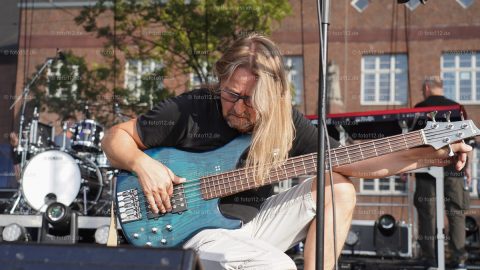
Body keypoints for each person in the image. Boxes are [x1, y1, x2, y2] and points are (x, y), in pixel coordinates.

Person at [102, 35, 472, 270]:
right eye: (231, 94)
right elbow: (114, 138)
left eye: (251, 100)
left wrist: (426, 153)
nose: (237, 107)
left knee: (338, 186)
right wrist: (141, 163)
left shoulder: (286, 121)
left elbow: (354, 163)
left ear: (275, 96)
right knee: (277, 267)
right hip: (193, 231)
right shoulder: (192, 106)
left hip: (254, 227)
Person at [413, 76, 473, 270]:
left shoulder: (419, 108)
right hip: (453, 165)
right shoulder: (456, 107)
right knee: (456, 211)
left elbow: (411, 140)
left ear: (427, 88)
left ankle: (429, 258)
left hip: (425, 166)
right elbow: (466, 140)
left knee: (426, 211)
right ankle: (459, 259)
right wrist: (467, 169)